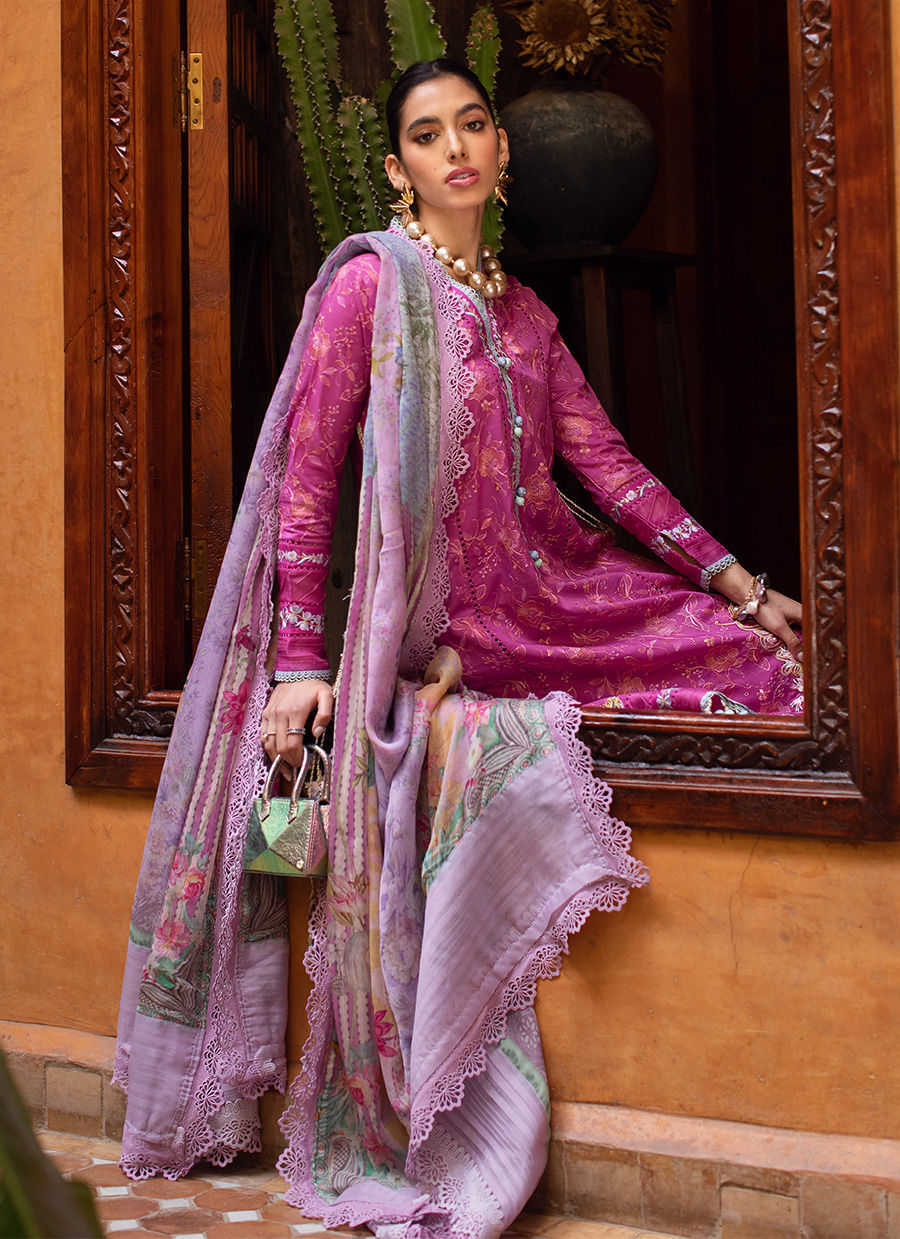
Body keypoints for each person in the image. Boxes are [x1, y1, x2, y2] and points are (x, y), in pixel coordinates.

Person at [114, 59, 803, 1238]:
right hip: (457, 627)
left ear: (499, 147)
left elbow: (608, 466)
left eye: (473, 125)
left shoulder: (524, 312)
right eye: (429, 136)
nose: (458, 149)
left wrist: (737, 580)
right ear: (398, 169)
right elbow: (307, 481)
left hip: (555, 595)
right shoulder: (370, 289)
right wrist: (300, 663)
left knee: (745, 656)